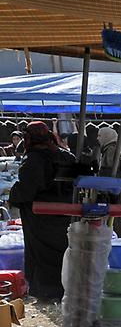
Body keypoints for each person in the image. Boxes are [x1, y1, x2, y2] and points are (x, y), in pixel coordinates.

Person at [8, 122, 76, 300]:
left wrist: (13, 194)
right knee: (65, 252)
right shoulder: (66, 156)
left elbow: (27, 190)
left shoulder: (32, 160)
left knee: (42, 256)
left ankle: (47, 292)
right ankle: (66, 289)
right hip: (65, 216)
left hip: (40, 219)